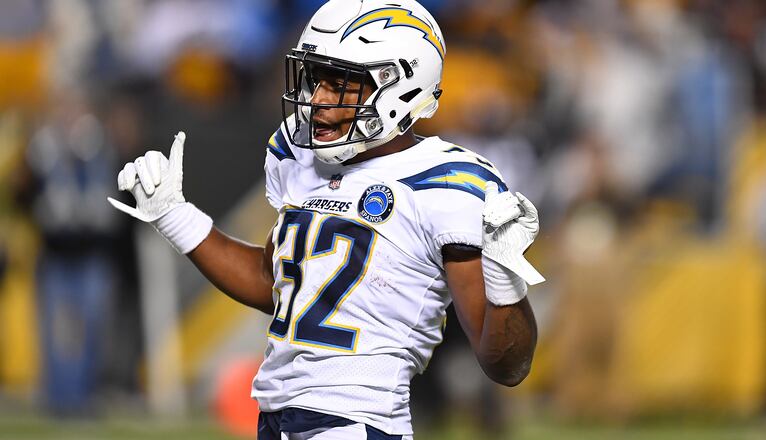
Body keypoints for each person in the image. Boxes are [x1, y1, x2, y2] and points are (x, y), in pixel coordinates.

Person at [109, 0, 544, 438]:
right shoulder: (299, 155)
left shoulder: (448, 183)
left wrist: (506, 280)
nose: (317, 100)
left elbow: (506, 365)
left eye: (340, 85)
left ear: (401, 85)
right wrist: (174, 215)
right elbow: (277, 284)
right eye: (315, 80)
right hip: (278, 417)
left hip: (359, 422)